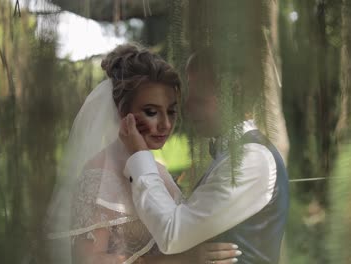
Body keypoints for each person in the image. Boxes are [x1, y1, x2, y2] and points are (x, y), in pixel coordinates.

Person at [45, 44, 241, 264]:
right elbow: (87, 261)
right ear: (122, 112)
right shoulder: (98, 176)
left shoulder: (157, 172)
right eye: (151, 112)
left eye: (171, 111)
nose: (165, 124)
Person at [119, 50, 289, 263]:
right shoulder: (231, 153)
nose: (188, 106)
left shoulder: (253, 159)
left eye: (198, 92)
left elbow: (173, 234)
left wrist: (140, 155)